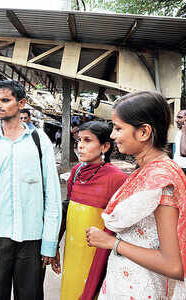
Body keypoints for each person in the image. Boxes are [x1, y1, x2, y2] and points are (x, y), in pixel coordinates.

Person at [0, 80, 62, 300]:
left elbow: (53, 196)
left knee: (30, 296)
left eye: (5, 100)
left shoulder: (40, 142)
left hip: (32, 239)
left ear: (21, 103)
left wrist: (49, 243)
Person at [86, 91, 186, 299]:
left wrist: (112, 243)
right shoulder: (147, 169)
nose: (113, 135)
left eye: (118, 128)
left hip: (142, 290)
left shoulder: (161, 180)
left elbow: (173, 265)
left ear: (143, 132)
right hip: (127, 283)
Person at [59, 121, 128, 300]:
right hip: (72, 250)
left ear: (104, 146)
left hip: (97, 254)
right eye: (79, 140)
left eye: (88, 140)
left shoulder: (117, 179)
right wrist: (54, 246)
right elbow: (68, 209)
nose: (80, 146)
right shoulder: (77, 172)